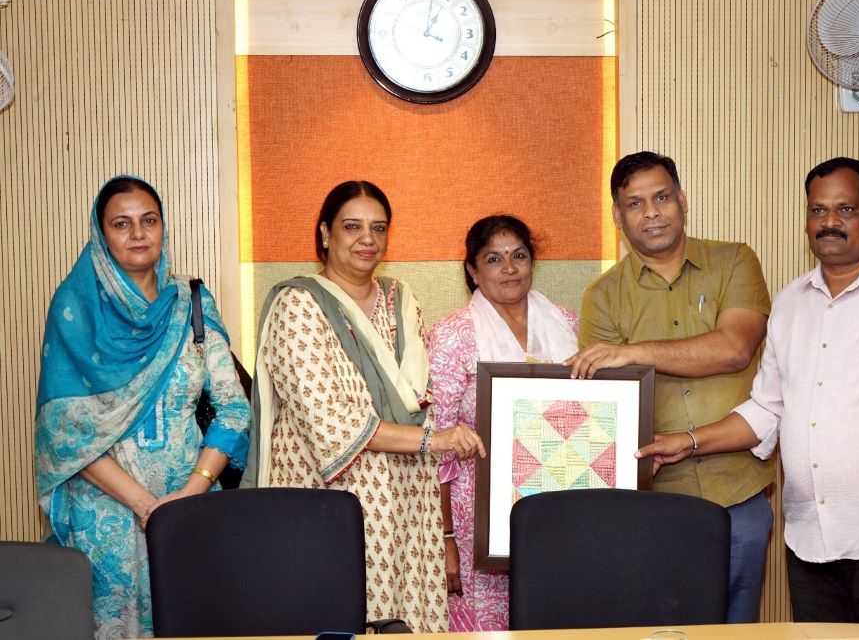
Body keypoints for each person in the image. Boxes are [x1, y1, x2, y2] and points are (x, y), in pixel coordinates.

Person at [636, 157, 859, 625]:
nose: (829, 222)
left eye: (845, 209)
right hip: (809, 542)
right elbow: (767, 409)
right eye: (818, 210)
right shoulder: (790, 303)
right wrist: (687, 442)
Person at [244, 180, 485, 633]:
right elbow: (330, 424)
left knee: (404, 619)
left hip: (409, 500)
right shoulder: (298, 304)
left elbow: (421, 397)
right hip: (332, 501)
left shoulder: (401, 300)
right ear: (325, 233)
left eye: (378, 227)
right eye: (352, 227)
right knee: (336, 618)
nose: (367, 239)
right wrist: (434, 440)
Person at [34, 175, 252, 639]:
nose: (138, 233)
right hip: (105, 519)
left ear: (163, 228)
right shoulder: (75, 311)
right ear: (101, 235)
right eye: (121, 223)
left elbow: (233, 410)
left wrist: (191, 493)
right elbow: (67, 431)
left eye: (149, 220)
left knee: (196, 623)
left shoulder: (192, 303)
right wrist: (146, 505)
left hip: (191, 509)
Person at [565, 151, 774, 623]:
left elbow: (735, 348)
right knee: (665, 629)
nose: (651, 213)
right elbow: (605, 410)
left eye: (661, 197)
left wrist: (633, 352)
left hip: (737, 489)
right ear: (618, 217)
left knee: (737, 629)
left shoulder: (734, 261)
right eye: (635, 204)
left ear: (682, 200)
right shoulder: (602, 297)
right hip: (654, 500)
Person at [428, 215, 579, 631]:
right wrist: (446, 538)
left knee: (555, 621)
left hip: (559, 507)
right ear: (473, 271)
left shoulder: (567, 324)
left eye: (519, 256)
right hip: (478, 520)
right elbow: (435, 445)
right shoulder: (452, 335)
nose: (509, 268)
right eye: (494, 259)